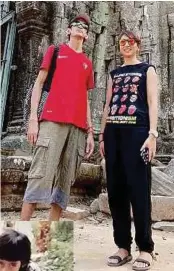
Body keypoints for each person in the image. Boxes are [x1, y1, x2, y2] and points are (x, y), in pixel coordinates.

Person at [21, 14, 95, 221]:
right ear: (68, 30)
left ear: (87, 36)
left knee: (64, 185)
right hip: (52, 121)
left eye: (85, 27)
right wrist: (33, 119)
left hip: (78, 128)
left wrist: (90, 132)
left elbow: (86, 98)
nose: (81, 28)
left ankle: (48, 246)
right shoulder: (55, 51)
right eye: (76, 25)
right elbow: (38, 83)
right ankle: (17, 244)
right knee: (39, 176)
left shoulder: (87, 63)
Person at [99, 30, 158, 270]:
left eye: (130, 42)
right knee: (116, 191)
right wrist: (102, 136)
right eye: (122, 42)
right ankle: (123, 246)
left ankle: (145, 248)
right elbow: (107, 105)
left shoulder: (147, 69)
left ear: (137, 45)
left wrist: (152, 135)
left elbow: (153, 101)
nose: (126, 45)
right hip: (113, 133)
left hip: (138, 132)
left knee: (139, 189)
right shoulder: (114, 73)